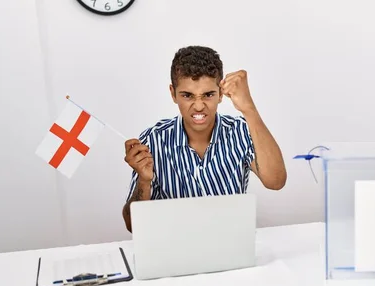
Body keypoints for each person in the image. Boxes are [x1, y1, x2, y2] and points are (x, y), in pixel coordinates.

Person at [121, 46, 287, 232]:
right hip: (173, 248)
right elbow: (132, 226)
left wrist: (248, 108)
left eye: (208, 95)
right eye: (187, 95)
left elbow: (276, 181)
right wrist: (144, 180)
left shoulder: (240, 130)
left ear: (221, 93)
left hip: (229, 245)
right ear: (173, 94)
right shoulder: (153, 139)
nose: (199, 106)